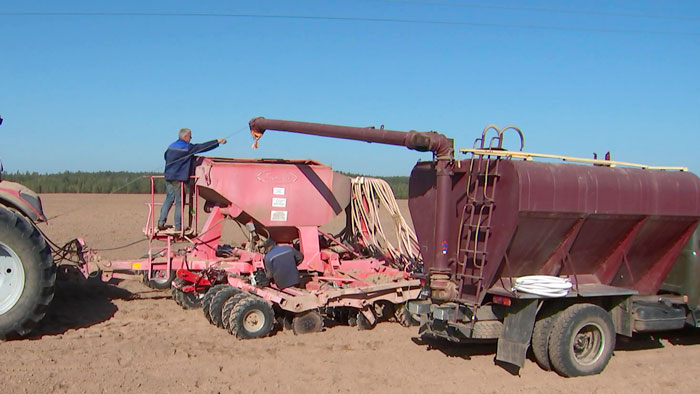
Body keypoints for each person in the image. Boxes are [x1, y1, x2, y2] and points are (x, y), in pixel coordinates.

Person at [158, 128, 226, 231]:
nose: (191, 138)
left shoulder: (171, 146)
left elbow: (165, 156)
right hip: (178, 179)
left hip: (168, 177)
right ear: (185, 137)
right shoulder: (186, 148)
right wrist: (217, 142)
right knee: (180, 201)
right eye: (190, 136)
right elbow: (202, 147)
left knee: (169, 198)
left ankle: (161, 222)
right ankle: (178, 226)